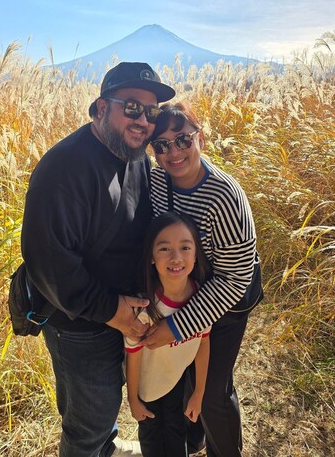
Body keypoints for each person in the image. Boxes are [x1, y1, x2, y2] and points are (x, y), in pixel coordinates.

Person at [20, 62, 175, 457]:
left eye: (152, 112)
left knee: (102, 403)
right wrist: (111, 310)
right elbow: (49, 262)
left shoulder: (135, 156)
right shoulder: (65, 168)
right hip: (80, 323)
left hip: (120, 312)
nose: (143, 121)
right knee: (89, 416)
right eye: (132, 107)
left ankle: (104, 446)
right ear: (101, 108)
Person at [142, 102, 258, 457]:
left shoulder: (225, 197)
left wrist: (179, 326)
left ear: (200, 138)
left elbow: (235, 279)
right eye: (161, 145)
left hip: (227, 298)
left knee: (210, 392)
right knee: (185, 374)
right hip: (186, 289)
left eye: (182, 140)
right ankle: (194, 441)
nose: (173, 152)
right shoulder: (158, 180)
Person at [125, 212, 211, 457]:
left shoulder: (202, 298)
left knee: (176, 434)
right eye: (164, 249)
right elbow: (133, 355)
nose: (176, 257)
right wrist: (133, 400)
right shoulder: (146, 308)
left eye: (185, 247)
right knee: (152, 440)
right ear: (151, 257)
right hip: (148, 389)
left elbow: (203, 344)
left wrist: (198, 393)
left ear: (196, 253)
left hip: (176, 381)